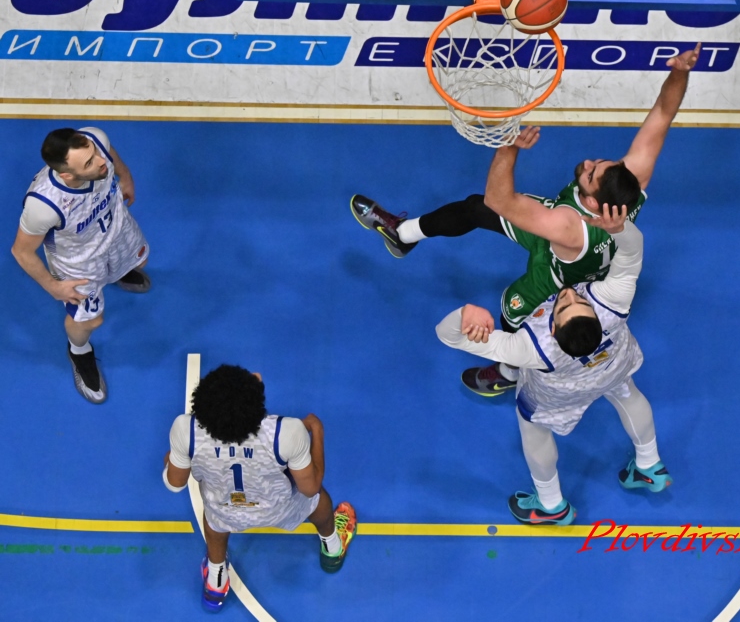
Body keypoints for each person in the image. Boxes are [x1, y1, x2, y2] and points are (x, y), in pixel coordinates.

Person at [352, 44, 701, 397]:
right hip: (576, 244)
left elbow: (500, 200)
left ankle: (508, 371)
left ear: (593, 203)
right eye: (599, 163)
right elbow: (663, 113)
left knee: (513, 311)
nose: (589, 162)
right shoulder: (630, 184)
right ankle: (403, 234)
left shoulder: (567, 225)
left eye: (591, 173)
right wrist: (679, 72)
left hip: (558, 272)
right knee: (475, 209)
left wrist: (510, 147)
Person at [436, 207, 670, 525]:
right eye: (578, 301)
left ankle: (551, 505)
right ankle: (649, 465)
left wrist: (463, 315)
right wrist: (621, 229)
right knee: (628, 393)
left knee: (534, 429)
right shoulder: (614, 300)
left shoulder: (531, 347)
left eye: (564, 305)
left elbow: (448, 336)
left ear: (554, 329)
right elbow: (631, 252)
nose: (569, 293)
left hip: (558, 394)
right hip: (613, 365)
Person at [163, 365, 357, 612]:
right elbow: (310, 488)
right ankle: (332, 548)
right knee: (318, 501)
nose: (258, 377)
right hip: (281, 508)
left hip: (224, 509)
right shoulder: (287, 432)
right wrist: (317, 433)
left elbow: (175, 483)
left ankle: (215, 582)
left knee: (213, 523)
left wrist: (171, 460)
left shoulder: (186, 430)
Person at [10, 127, 151, 403]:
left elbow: (110, 155)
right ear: (67, 175)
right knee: (91, 319)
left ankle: (117, 274)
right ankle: (79, 352)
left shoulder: (95, 139)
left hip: (116, 229)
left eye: (94, 152)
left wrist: (125, 176)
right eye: (88, 163)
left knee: (141, 260)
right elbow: (21, 251)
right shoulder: (43, 206)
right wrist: (54, 288)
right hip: (79, 261)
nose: (100, 161)